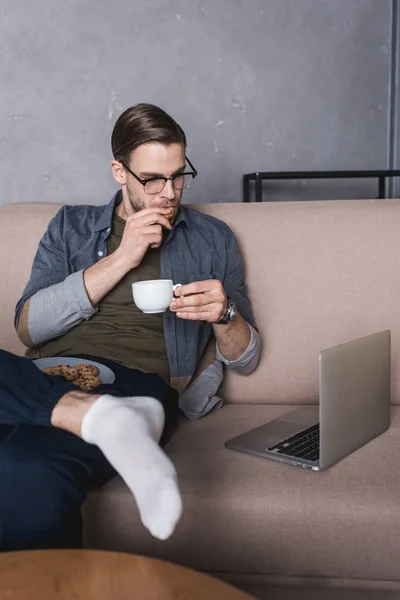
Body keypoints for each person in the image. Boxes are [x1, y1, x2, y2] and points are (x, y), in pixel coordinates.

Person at [0, 103, 261, 551]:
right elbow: (29, 328)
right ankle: (92, 417)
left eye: (179, 175)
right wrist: (124, 257)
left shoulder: (211, 238)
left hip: (129, 385)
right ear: (119, 172)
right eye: (153, 180)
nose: (170, 192)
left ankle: (109, 416)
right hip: (40, 377)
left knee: (25, 466)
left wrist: (225, 315)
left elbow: (247, 358)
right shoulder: (70, 227)